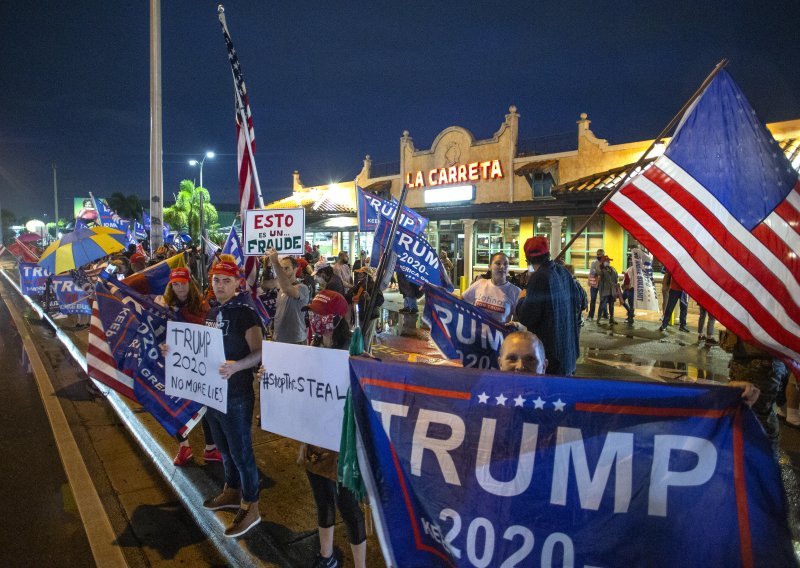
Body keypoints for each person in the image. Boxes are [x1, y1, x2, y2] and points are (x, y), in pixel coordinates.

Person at [193, 258, 264, 538]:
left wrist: (238, 366)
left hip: (236, 395)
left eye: (226, 281)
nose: (220, 286)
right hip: (212, 393)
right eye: (216, 280)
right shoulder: (212, 312)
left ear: (237, 283)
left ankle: (251, 506)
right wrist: (172, 351)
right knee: (223, 448)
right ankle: (231, 491)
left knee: (242, 453)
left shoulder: (245, 313)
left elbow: (260, 351)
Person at [300, 290, 367, 568]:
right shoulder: (314, 346)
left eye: (322, 315)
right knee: (323, 499)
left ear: (338, 320)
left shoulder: (354, 349)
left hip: (345, 441)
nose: (316, 320)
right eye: (313, 314)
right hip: (317, 437)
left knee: (349, 507)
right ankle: (326, 556)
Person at [156, 267, 222, 466]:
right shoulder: (164, 307)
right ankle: (184, 446)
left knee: (206, 407)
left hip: (198, 366)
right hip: (176, 365)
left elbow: (209, 334)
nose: (180, 288)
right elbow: (158, 332)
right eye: (175, 284)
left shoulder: (202, 306)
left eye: (183, 283)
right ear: (170, 285)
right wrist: (162, 346)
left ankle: (210, 448)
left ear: (189, 283)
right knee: (174, 405)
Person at [516, 236, 580, 376]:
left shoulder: (539, 278)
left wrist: (521, 299)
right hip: (568, 356)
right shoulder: (564, 272)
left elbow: (527, 317)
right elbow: (578, 303)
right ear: (548, 253)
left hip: (551, 360)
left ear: (528, 259)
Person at [461, 252, 520, 324]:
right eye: (498, 263)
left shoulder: (515, 292)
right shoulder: (479, 284)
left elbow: (517, 320)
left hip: (499, 335)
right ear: (489, 267)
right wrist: (444, 294)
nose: (502, 267)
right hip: (475, 333)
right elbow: (460, 300)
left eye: (505, 264)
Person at [269, 249, 310, 344]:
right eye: (281, 268)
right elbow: (265, 285)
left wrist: (275, 263)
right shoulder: (281, 286)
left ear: (296, 269)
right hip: (278, 338)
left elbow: (288, 289)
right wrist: (267, 265)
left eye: (286, 268)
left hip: (295, 340)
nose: (282, 271)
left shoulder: (302, 287)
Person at [596, 255, 619, 324]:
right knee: (602, 304)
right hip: (604, 290)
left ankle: (611, 318)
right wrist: (599, 267)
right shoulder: (602, 270)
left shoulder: (613, 268)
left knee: (611, 305)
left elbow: (616, 277)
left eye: (609, 261)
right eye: (607, 261)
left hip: (612, 290)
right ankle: (598, 319)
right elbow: (599, 274)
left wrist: (616, 285)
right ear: (603, 262)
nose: (608, 262)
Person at [587, 248, 605, 320]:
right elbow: (592, 272)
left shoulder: (605, 263)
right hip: (594, 284)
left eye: (600, 254)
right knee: (593, 300)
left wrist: (597, 270)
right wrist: (598, 271)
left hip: (602, 284)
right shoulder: (594, 262)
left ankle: (603, 314)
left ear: (603, 255)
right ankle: (590, 315)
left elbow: (605, 273)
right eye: (597, 254)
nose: (598, 256)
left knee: (603, 300)